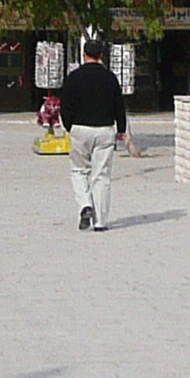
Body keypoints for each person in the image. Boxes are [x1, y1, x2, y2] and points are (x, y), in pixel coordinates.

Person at [56, 36, 129, 233]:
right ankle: (101, 222)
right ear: (101, 56)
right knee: (102, 175)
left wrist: (70, 126)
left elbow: (66, 106)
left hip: (80, 128)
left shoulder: (74, 77)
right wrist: (121, 129)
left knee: (79, 170)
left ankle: (85, 205)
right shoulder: (110, 78)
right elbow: (119, 106)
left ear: (84, 54)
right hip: (105, 129)